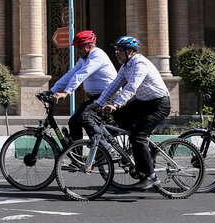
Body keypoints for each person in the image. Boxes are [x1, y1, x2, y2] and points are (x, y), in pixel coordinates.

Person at [90, 35, 171, 191]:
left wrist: (116, 104)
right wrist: (98, 103)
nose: (117, 53)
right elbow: (114, 86)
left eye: (120, 50)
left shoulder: (140, 64)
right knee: (119, 116)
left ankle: (150, 176)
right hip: (143, 102)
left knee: (138, 136)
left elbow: (132, 86)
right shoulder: (125, 66)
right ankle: (136, 149)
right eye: (116, 51)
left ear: (130, 52)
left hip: (158, 104)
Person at [50, 30, 116, 142]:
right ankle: (77, 156)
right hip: (95, 97)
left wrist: (66, 93)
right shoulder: (83, 59)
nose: (77, 50)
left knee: (86, 118)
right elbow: (71, 74)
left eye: (80, 47)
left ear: (89, 46)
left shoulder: (97, 55)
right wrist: (52, 91)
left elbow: (82, 74)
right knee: (73, 121)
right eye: (76, 47)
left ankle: (106, 150)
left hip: (108, 96)